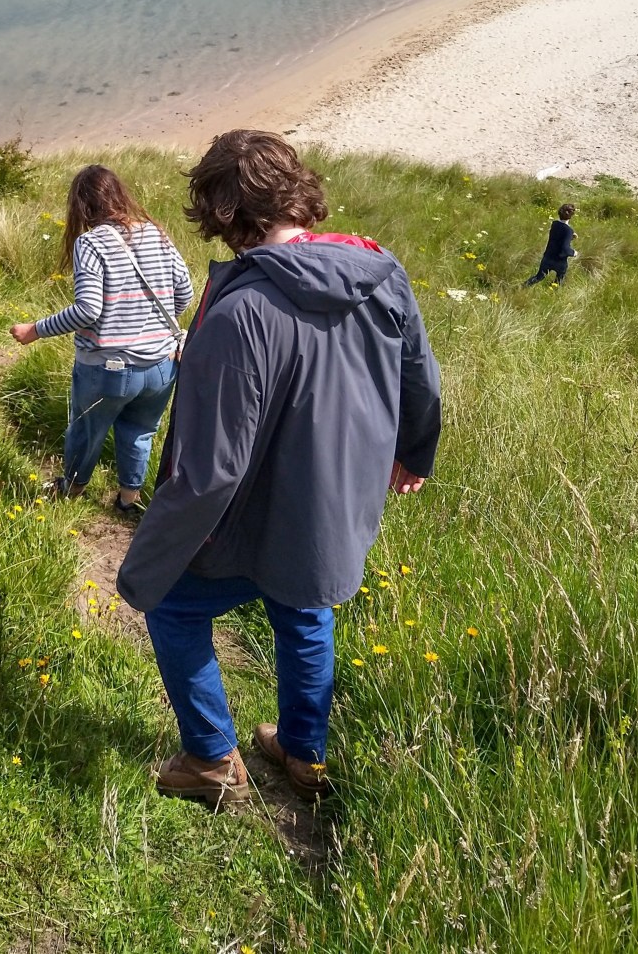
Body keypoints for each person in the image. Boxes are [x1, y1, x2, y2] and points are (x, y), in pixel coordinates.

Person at [117, 131, 441, 806]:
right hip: (338, 493)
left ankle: (209, 758)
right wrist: (416, 451)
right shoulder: (379, 269)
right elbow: (420, 376)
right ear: (294, 191)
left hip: (256, 510)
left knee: (172, 606)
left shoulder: (242, 312)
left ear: (223, 212)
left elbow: (210, 473)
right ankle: (303, 753)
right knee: (306, 607)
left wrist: (147, 558)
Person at [10, 166, 193, 519]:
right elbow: (183, 294)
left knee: (87, 428)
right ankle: (128, 500)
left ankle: (72, 490)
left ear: (81, 206)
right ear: (119, 195)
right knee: (140, 432)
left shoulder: (90, 243)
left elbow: (88, 310)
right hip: (161, 365)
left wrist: (36, 329)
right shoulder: (158, 234)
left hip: (110, 368)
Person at [525, 204, 577, 286]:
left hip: (548, 257)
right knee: (558, 281)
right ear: (571, 215)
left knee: (538, 277)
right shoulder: (568, 230)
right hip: (560, 260)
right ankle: (552, 293)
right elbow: (565, 249)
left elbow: (557, 238)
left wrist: (570, 237)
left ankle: (522, 287)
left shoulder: (555, 224)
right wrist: (573, 253)